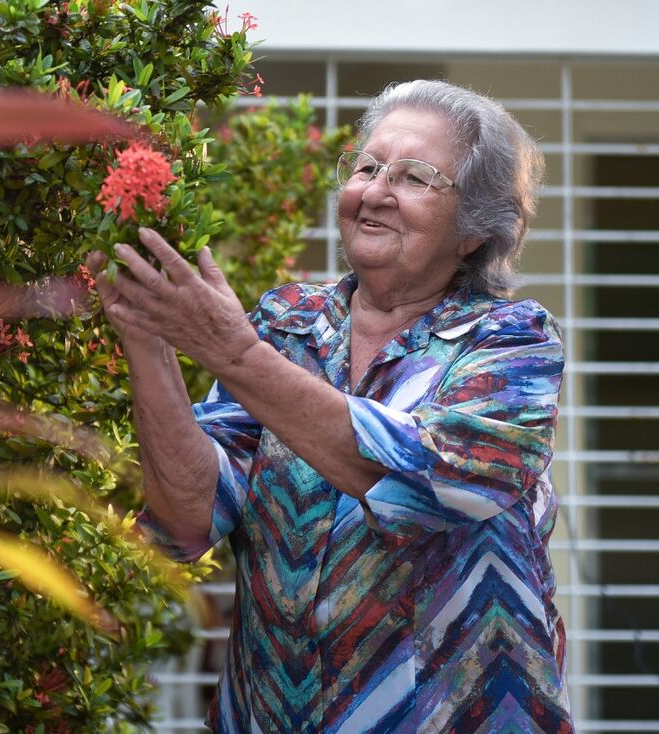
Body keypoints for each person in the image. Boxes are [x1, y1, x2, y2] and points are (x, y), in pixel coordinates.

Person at [86, 79, 573, 733]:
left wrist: (236, 357)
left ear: (472, 230)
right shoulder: (288, 325)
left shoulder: (512, 341)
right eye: (368, 168)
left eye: (414, 177)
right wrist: (147, 341)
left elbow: (437, 483)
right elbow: (189, 516)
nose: (374, 192)